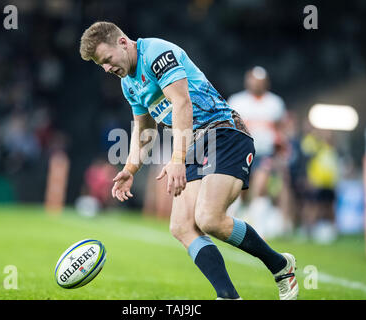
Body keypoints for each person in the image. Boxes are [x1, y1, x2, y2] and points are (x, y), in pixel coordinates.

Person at [79, 21, 298, 300]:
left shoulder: (157, 53)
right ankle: (228, 296)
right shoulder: (128, 84)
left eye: (107, 59)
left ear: (122, 42)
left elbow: (182, 103)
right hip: (195, 143)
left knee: (209, 219)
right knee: (181, 226)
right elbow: (145, 129)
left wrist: (177, 159)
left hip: (224, 132)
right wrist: (130, 168)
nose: (107, 69)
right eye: (101, 65)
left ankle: (281, 266)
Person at [227, 67, 289, 238]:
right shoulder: (237, 101)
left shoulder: (275, 103)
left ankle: (258, 229)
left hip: (264, 153)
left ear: (266, 83)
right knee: (240, 190)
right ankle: (231, 223)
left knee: (261, 187)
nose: (256, 84)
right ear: (248, 81)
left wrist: (281, 149)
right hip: (242, 152)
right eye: (254, 80)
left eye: (260, 81)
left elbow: (282, 129)